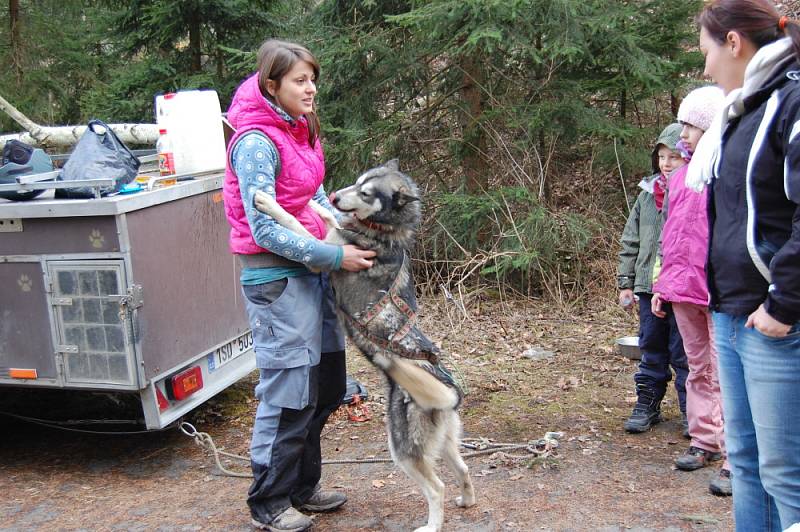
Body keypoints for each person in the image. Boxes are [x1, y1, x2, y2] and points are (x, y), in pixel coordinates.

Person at [223, 39, 376, 532]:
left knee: (325, 386)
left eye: (312, 78)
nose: (310, 88)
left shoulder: (297, 129)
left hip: (313, 275)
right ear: (273, 85)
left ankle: (301, 488)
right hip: (277, 282)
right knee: (288, 392)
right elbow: (264, 225)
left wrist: (346, 228)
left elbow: (308, 197)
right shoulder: (255, 142)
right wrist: (335, 255)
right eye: (299, 80)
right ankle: (268, 502)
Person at [692, 1, 800, 529]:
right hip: (734, 313)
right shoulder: (744, 111)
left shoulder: (793, 100)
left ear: (733, 43)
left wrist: (784, 303)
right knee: (750, 467)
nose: (706, 68)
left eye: (708, 52)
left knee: (788, 475)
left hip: (777, 322)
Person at [650, 86, 731, 496]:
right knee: (698, 369)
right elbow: (671, 236)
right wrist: (662, 285)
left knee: (727, 374)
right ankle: (705, 441)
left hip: (718, 291)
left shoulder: (725, 173)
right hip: (681, 289)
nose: (684, 133)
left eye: (692, 126)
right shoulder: (680, 177)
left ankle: (737, 456)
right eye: (683, 124)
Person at [617, 123, 689, 435]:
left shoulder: (695, 191)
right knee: (652, 348)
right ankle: (647, 404)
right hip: (648, 287)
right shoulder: (647, 196)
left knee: (684, 354)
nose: (667, 163)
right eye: (662, 156)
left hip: (684, 290)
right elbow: (630, 241)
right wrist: (626, 282)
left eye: (674, 156)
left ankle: (694, 414)